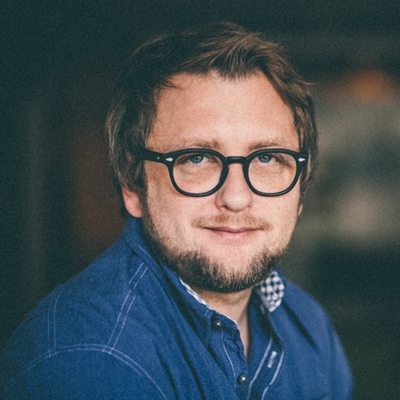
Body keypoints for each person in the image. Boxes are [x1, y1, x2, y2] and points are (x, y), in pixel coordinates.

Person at [1, 22, 353, 399]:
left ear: (301, 187)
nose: (236, 198)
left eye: (268, 158)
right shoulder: (91, 362)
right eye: (196, 158)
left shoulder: (309, 327)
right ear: (133, 185)